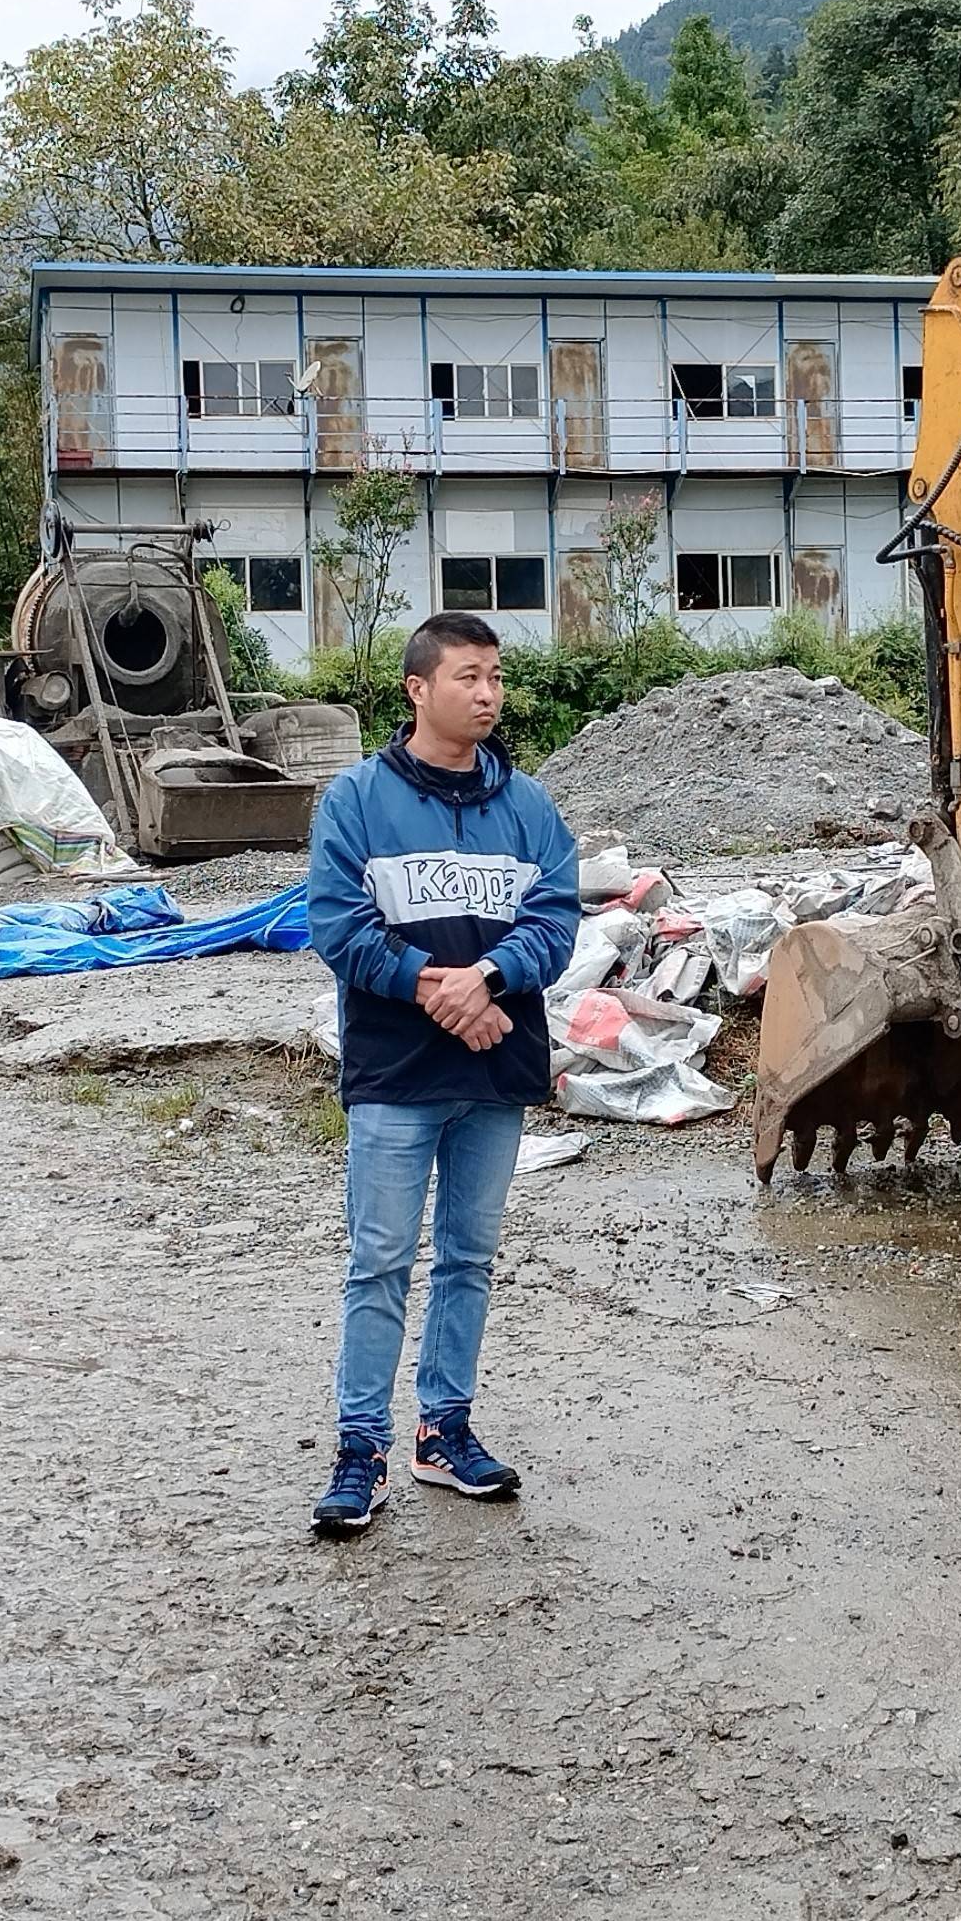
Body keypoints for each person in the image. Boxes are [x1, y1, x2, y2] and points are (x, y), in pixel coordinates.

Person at [301, 611, 579, 1537]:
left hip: (493, 1077)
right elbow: (339, 928)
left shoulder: (529, 808)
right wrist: (438, 989)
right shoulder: (356, 800)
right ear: (419, 689)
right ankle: (358, 1448)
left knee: (469, 1259)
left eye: (496, 676)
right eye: (468, 676)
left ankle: (444, 1429)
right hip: (394, 1077)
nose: (488, 693)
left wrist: (491, 978)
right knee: (378, 1263)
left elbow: (556, 921)